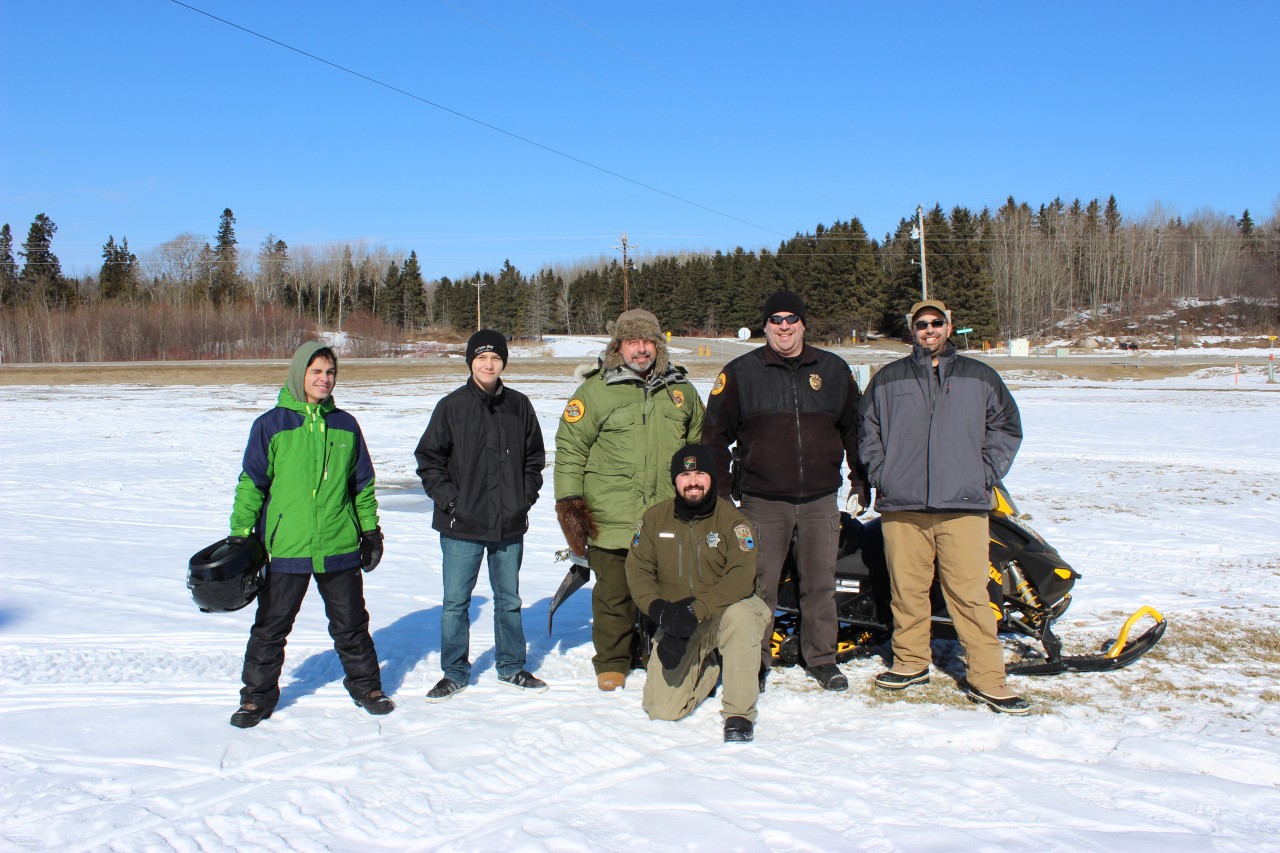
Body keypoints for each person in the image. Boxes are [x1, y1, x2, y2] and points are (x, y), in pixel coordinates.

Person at [858, 299, 1029, 714]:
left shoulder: (980, 376)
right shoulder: (888, 379)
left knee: (970, 595)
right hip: (904, 507)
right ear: (911, 330)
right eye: (921, 324)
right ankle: (911, 662)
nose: (929, 329)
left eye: (937, 323)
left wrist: (982, 472)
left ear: (949, 327)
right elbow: (868, 432)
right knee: (907, 592)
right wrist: (883, 474)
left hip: (963, 506)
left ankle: (988, 679)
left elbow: (1007, 428)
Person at [701, 290, 866, 692]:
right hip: (762, 502)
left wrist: (861, 480)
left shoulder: (832, 369)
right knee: (759, 586)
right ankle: (751, 662)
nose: (784, 326)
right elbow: (714, 438)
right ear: (765, 326)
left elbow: (855, 432)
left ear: (804, 324)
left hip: (819, 500)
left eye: (792, 318)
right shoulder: (741, 373)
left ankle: (821, 658)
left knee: (820, 584)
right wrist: (721, 497)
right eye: (776, 319)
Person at [228, 341, 391, 728]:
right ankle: (255, 698)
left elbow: (362, 485)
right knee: (271, 627)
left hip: (338, 544)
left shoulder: (346, 425)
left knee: (351, 624)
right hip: (287, 546)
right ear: (300, 373)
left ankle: (367, 687)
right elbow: (252, 484)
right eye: (317, 371)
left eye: (330, 372)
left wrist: (370, 531)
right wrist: (239, 535)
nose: (325, 379)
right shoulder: (272, 425)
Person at [554, 308, 705, 691]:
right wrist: (571, 507)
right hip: (610, 515)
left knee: (667, 589)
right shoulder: (594, 390)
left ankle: (657, 652)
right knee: (613, 594)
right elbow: (571, 449)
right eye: (632, 341)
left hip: (665, 515)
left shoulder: (681, 391)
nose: (641, 349)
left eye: (648, 341)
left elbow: (701, 448)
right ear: (618, 346)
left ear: (658, 345)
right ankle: (612, 660)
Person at [415, 330, 547, 701]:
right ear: (471, 361)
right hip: (461, 526)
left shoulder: (519, 405)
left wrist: (522, 498)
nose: (488, 364)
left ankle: (511, 666)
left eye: (495, 358)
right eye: (481, 358)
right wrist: (451, 502)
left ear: (504, 362)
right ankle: (454, 671)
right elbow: (429, 460)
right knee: (456, 602)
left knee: (510, 600)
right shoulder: (452, 406)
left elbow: (534, 458)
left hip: (508, 523)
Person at [626, 445, 771, 743]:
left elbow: (741, 577)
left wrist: (696, 610)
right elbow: (638, 570)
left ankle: (739, 714)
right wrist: (659, 610)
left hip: (723, 613)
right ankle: (711, 669)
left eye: (700, 473)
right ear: (675, 480)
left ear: (712, 478)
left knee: (743, 617)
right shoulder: (654, 519)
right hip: (677, 619)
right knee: (660, 709)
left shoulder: (734, 521)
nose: (693, 481)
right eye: (685, 474)